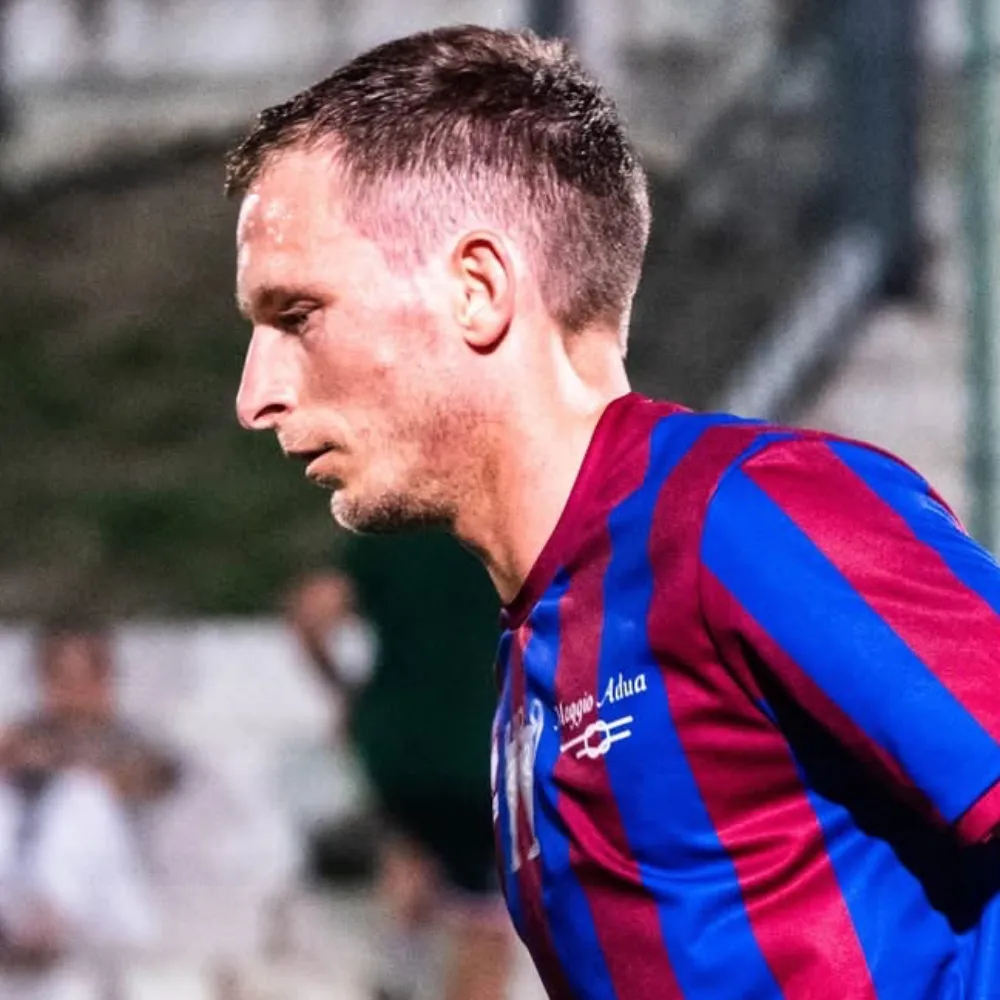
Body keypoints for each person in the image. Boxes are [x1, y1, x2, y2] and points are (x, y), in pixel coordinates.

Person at [228, 24, 1000, 999]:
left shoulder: (739, 516)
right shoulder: (535, 640)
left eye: (297, 315)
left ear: (477, 290)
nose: (254, 395)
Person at [284, 535, 511, 1000]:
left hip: (395, 746)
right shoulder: (503, 523)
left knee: (413, 867)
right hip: (478, 745)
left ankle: (396, 975)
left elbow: (313, 611)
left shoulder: (389, 529)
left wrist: (342, 690)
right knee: (486, 922)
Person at [0, 617, 179, 965]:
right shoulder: (22, 738)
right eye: (61, 679)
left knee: (81, 795)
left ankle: (46, 919)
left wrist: (61, 768)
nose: (73, 692)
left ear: (105, 680)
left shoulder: (133, 741)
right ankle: (32, 920)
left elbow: (156, 779)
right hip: (17, 888)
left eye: (84, 678)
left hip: (106, 899)